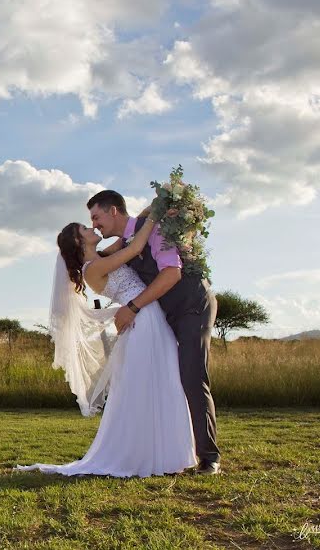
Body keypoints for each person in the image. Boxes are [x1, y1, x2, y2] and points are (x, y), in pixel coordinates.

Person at [15, 206, 198, 478]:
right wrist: (156, 217)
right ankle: (147, 455)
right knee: (157, 381)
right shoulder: (94, 269)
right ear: (79, 242)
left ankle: (168, 454)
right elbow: (135, 247)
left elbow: (128, 237)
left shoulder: (102, 256)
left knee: (164, 380)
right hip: (142, 319)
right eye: (85, 229)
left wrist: (153, 207)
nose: (93, 229)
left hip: (148, 318)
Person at [88, 190, 220, 474]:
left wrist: (132, 307)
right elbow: (102, 257)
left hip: (191, 307)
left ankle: (209, 457)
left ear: (113, 211)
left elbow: (172, 274)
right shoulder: (128, 240)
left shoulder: (159, 230)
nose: (95, 224)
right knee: (168, 379)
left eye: (96, 217)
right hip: (163, 317)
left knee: (192, 376)